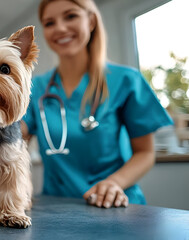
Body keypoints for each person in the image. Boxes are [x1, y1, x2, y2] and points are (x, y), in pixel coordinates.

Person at [21, 0, 173, 208]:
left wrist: (114, 183)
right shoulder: (34, 88)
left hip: (113, 206)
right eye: (49, 23)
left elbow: (145, 153)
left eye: (70, 16)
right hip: (56, 208)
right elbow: (14, 142)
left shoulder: (126, 80)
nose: (60, 28)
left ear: (91, 21)